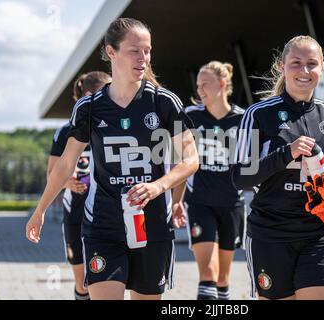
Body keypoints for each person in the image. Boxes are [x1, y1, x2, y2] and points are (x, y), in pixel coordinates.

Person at [26, 17, 199, 300]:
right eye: (134, 50)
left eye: (148, 50)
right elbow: (65, 164)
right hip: (103, 225)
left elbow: (191, 159)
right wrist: (40, 209)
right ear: (111, 52)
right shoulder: (89, 107)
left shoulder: (164, 102)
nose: (143, 58)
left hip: (152, 225)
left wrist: (158, 186)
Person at [232, 35, 324, 300]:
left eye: (312, 64)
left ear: (322, 68)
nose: (304, 71)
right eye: (296, 63)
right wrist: (286, 153)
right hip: (270, 236)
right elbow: (239, 176)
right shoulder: (258, 114)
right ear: (282, 66)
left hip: (321, 235)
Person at [175, 61, 245, 300]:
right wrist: (176, 201)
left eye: (205, 84)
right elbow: (180, 164)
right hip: (199, 204)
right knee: (207, 273)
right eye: (198, 85)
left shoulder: (243, 119)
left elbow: (253, 165)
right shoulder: (190, 117)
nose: (200, 90)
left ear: (222, 84)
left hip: (232, 205)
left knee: (223, 279)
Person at [48, 71, 111, 300]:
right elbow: (52, 172)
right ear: (88, 95)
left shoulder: (113, 126)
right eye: (106, 90)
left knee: (107, 281)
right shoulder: (66, 132)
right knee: (83, 282)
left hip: (107, 213)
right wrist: (67, 182)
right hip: (75, 212)